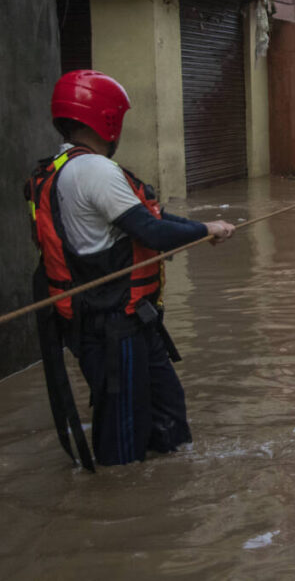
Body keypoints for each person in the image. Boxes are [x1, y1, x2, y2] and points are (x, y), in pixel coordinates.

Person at [26, 70, 236, 468]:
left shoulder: (61, 166)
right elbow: (151, 232)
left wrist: (200, 230)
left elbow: (148, 219)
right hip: (112, 325)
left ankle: (167, 494)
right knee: (123, 438)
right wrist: (207, 229)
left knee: (167, 413)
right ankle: (117, 513)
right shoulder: (95, 171)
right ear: (108, 120)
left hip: (130, 320)